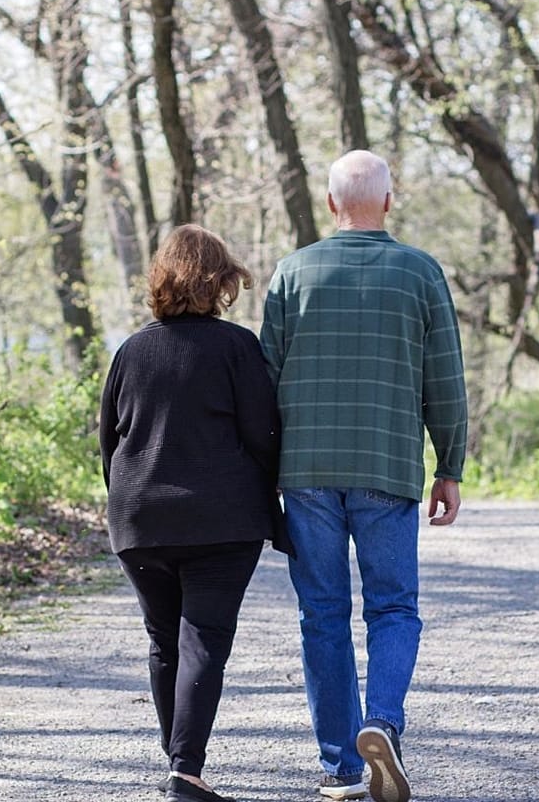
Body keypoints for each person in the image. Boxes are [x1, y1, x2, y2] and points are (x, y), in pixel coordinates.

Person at [259, 150, 468, 802]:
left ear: (330, 205)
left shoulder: (293, 273)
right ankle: (381, 722)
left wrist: (263, 472)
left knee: (321, 614)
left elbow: (263, 383)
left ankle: (341, 766)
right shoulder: (419, 272)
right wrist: (450, 466)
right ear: (388, 200)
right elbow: (446, 381)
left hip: (307, 473)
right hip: (386, 465)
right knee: (393, 607)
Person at [99, 224, 290, 802]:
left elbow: (109, 440)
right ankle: (184, 770)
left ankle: (180, 762)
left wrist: (128, 498)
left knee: (164, 639)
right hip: (221, 521)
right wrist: (276, 495)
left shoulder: (131, 350)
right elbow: (264, 434)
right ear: (221, 281)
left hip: (139, 518)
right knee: (203, 637)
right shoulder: (236, 348)